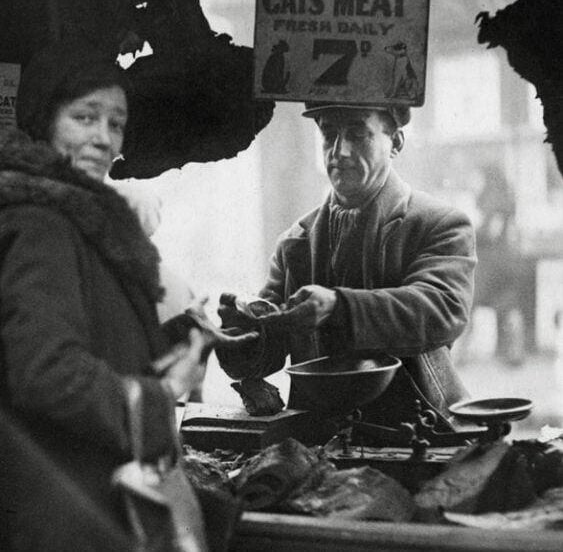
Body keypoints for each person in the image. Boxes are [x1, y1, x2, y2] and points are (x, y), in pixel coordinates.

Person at [0, 42, 254, 552]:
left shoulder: (83, 219)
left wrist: (177, 339)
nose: (102, 138)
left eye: (115, 123)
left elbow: (92, 339)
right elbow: (46, 373)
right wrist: (157, 398)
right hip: (64, 510)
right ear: (42, 124)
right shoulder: (40, 223)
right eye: (84, 117)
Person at [217, 102, 476, 430]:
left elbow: (443, 308)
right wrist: (236, 337)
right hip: (319, 435)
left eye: (358, 135)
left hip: (418, 429)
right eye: (329, 135)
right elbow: (269, 348)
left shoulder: (438, 224)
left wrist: (338, 307)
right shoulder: (295, 243)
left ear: (395, 142)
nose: (339, 151)